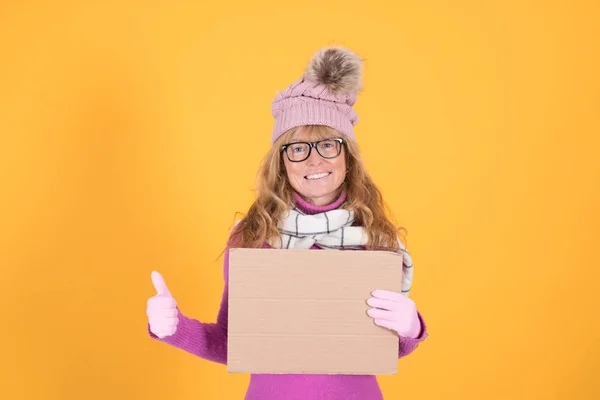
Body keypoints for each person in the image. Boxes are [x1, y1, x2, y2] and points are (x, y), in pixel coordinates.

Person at [146, 45, 428, 400]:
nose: (313, 160)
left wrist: (410, 327)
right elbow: (234, 343)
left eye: (328, 144)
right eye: (297, 148)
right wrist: (174, 328)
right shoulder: (253, 237)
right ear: (282, 162)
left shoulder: (374, 238)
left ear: (347, 156)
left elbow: (385, 347)